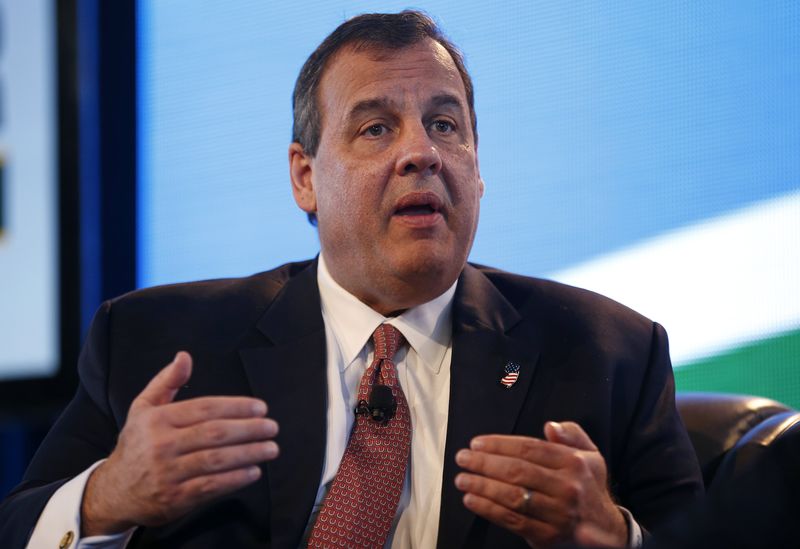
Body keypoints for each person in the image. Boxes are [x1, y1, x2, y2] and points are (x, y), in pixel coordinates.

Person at [0, 10, 702, 549]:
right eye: (375, 129)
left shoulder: (611, 352)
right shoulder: (157, 342)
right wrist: (106, 498)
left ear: (479, 170)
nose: (422, 153)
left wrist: (618, 535)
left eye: (446, 125)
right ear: (305, 177)